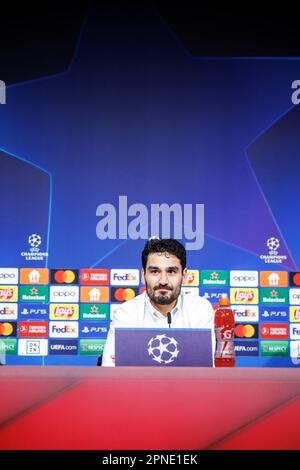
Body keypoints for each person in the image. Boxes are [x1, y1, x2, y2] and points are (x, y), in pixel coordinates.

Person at [101, 238, 215, 366]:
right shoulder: (126, 312)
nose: (163, 281)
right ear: (143, 275)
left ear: (184, 276)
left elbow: (206, 370)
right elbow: (109, 369)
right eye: (155, 271)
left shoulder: (200, 309)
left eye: (171, 272)